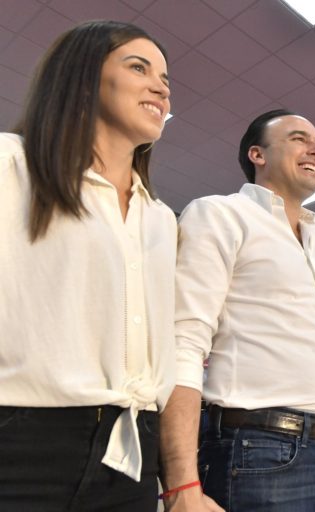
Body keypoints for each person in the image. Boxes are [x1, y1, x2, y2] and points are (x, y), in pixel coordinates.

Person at [160, 83, 315, 511]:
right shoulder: (220, 214)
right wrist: (180, 486)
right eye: (299, 139)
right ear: (257, 155)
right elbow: (183, 344)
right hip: (259, 452)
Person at [0, 20, 175, 511]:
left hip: (133, 449)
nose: (160, 85)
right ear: (81, 76)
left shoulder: (160, 218)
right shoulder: (11, 165)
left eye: (165, 78)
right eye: (139, 67)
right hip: (23, 444)